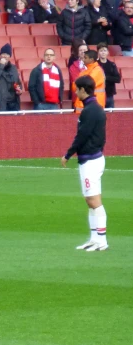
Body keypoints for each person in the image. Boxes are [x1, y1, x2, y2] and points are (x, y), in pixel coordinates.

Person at [61, 75, 108, 251]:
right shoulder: (94, 109)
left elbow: (82, 135)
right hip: (92, 159)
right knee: (91, 200)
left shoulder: (90, 111)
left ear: (83, 90)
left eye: (77, 89)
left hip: (91, 160)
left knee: (93, 200)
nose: (75, 92)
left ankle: (102, 240)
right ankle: (94, 238)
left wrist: (68, 154)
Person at [0, 43, 22, 111]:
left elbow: (18, 82)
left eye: (7, 54)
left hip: (13, 104)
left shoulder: (13, 68)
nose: (5, 56)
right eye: (3, 54)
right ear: (0, 55)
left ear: (10, 57)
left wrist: (19, 90)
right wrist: (1, 66)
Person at [97, 43, 120, 108]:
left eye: (104, 50)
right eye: (101, 51)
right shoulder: (96, 64)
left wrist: (105, 77)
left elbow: (118, 79)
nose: (103, 52)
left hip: (109, 94)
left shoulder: (112, 64)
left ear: (107, 52)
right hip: (98, 94)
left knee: (110, 115)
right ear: (98, 52)